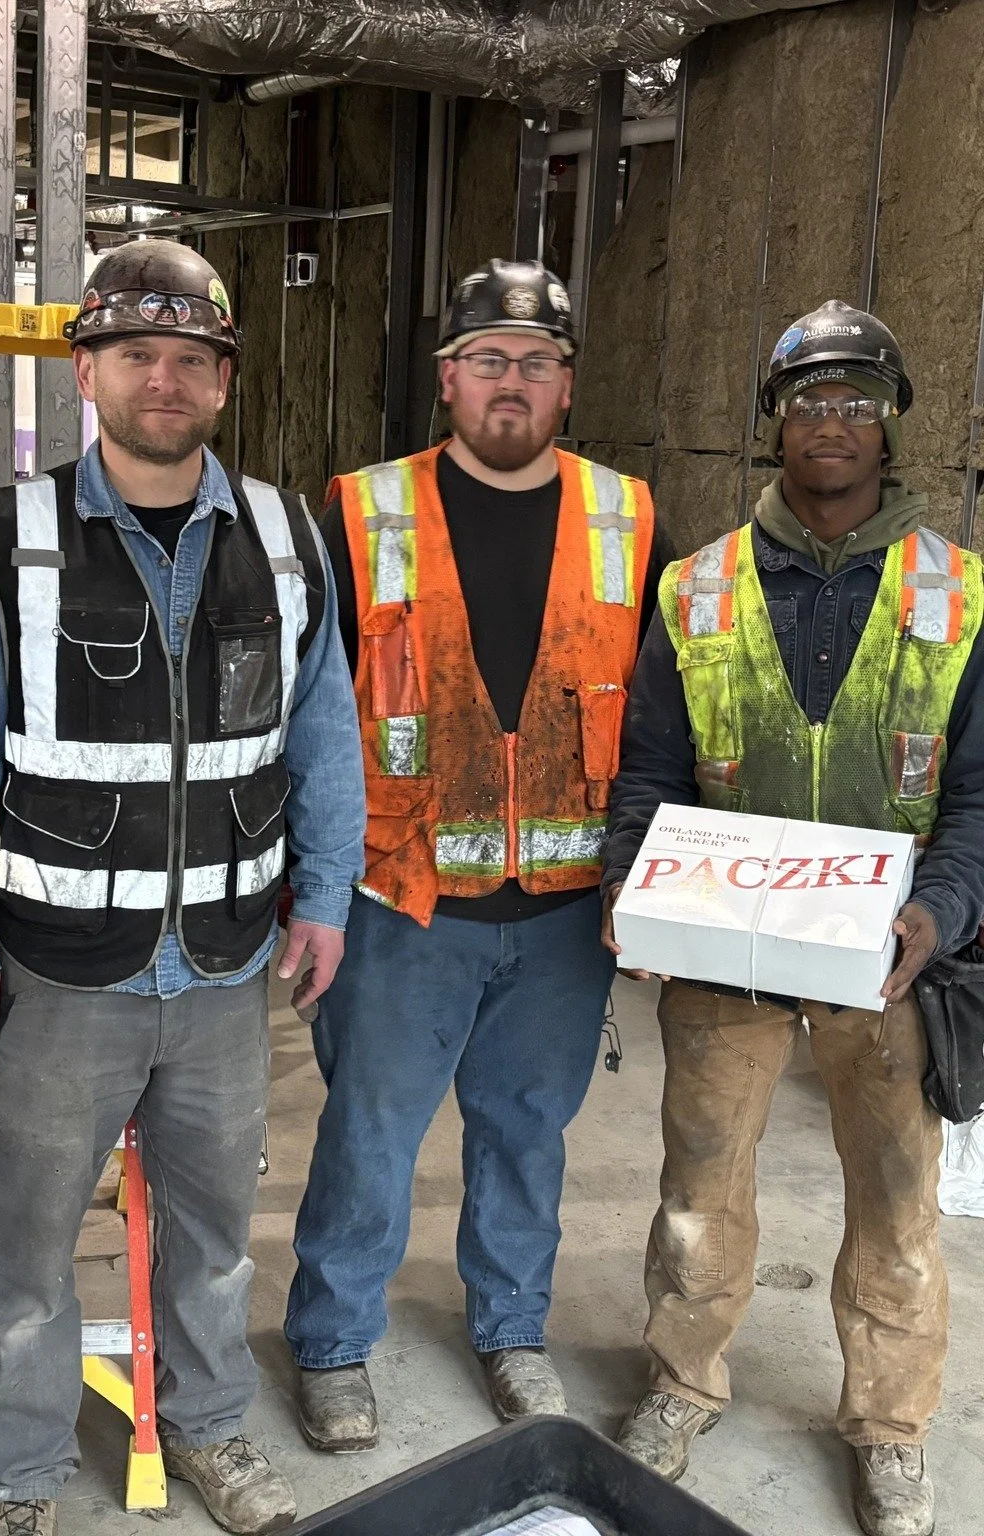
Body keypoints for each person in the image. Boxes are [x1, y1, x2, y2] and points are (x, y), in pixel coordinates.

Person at [0, 238, 365, 1536]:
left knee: (215, 1234)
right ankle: (19, 1468)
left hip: (224, 968)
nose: (164, 379)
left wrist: (326, 895)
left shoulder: (286, 538)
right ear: (87, 372)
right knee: (30, 1242)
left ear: (224, 380)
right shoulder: (10, 539)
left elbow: (323, 733)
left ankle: (210, 1428)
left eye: (191, 359)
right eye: (136, 355)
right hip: (59, 974)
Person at [602, 300, 984, 1536]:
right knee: (699, 1186)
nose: (832, 421)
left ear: (891, 425)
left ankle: (889, 1427)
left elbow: (980, 795)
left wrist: (938, 914)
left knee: (898, 1203)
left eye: (857, 401)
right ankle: (682, 1380)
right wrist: (630, 889)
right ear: (774, 420)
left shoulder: (962, 595)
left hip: (888, 963)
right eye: (810, 399)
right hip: (728, 951)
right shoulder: (697, 589)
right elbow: (650, 768)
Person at [285, 259, 667, 1450]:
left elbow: (667, 718)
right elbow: (306, 713)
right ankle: (333, 1343)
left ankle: (512, 1331)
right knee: (369, 1136)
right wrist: (308, 887)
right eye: (489, 359)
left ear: (568, 385)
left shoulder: (631, 518)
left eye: (538, 362)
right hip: (402, 899)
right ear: (447, 378)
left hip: (562, 908)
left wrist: (654, 884)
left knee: (526, 1135)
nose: (513, 382)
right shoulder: (360, 512)